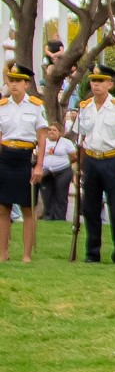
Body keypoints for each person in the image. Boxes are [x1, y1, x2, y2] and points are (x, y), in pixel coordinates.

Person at [73, 62, 115, 263]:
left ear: (109, 84)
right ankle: (92, 252)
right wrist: (80, 167)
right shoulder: (85, 107)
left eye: (100, 81)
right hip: (91, 159)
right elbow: (80, 139)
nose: (96, 85)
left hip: (111, 160)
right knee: (90, 208)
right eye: (93, 81)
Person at [0, 62, 48, 262]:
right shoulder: (2, 106)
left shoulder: (36, 106)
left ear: (26, 84)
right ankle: (3, 252)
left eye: (18, 81)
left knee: (27, 208)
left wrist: (39, 165)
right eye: (11, 80)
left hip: (25, 157)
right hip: (5, 156)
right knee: (3, 208)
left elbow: (42, 137)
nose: (14, 85)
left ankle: (26, 254)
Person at [39, 122, 74, 220]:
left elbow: (73, 156)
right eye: (49, 130)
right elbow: (38, 155)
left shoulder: (66, 143)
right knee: (47, 195)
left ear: (60, 132)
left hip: (62, 171)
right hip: (46, 172)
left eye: (54, 130)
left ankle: (59, 218)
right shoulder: (43, 142)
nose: (51, 132)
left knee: (61, 195)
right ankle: (48, 216)